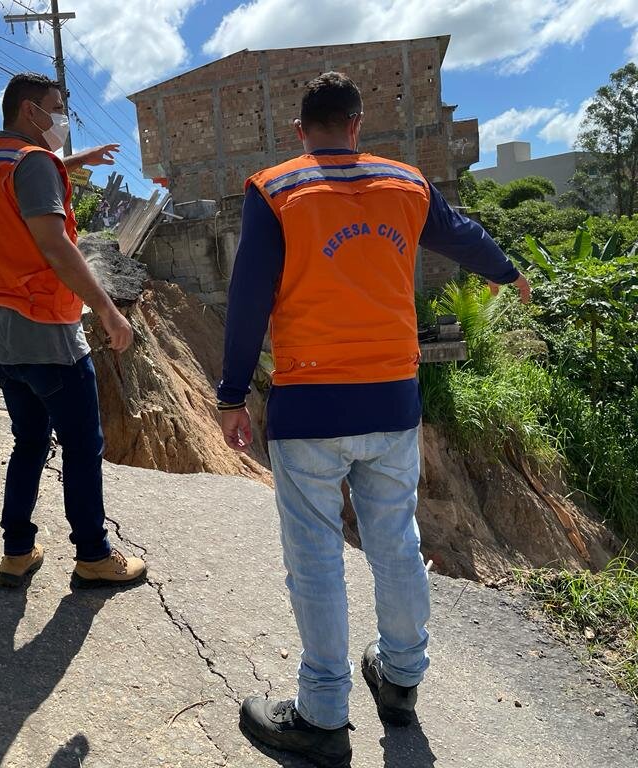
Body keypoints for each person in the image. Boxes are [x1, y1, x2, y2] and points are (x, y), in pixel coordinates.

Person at [217, 72, 530, 767]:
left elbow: (247, 298)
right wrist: (507, 273)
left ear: (302, 130)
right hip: (393, 402)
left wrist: (233, 394)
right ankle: (400, 680)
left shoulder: (276, 188)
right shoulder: (407, 184)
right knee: (395, 541)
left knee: (316, 559)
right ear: (358, 125)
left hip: (309, 405)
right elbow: (466, 236)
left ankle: (322, 716)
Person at [0, 73, 147, 590]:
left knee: (28, 440)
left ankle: (17, 551)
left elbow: (23, 192)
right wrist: (109, 310)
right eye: (57, 107)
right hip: (43, 327)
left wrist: (75, 162)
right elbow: (56, 245)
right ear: (30, 111)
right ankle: (93, 555)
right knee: (82, 444)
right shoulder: (34, 163)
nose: (63, 116)